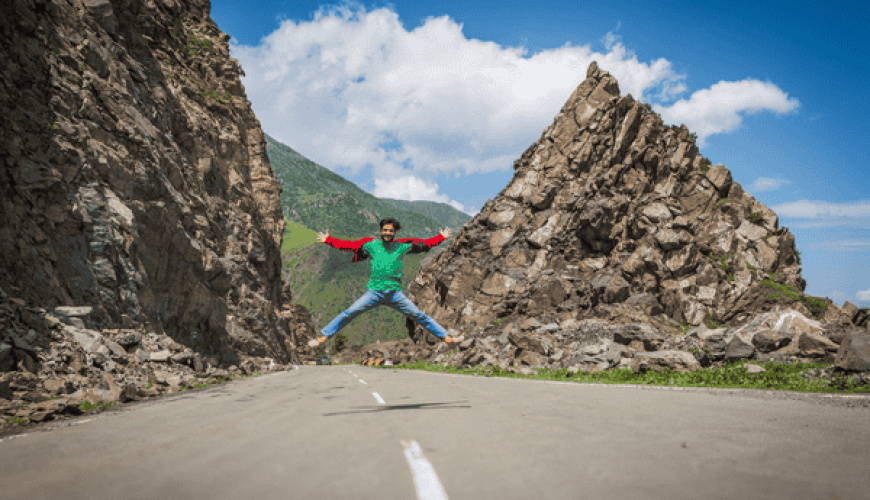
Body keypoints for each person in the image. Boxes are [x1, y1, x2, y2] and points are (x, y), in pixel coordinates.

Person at [308, 218, 460, 349]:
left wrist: (441, 237)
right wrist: (329, 240)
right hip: (374, 293)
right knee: (349, 313)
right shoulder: (371, 245)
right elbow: (350, 246)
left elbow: (424, 245)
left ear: (395, 233)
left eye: (391, 231)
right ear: (381, 231)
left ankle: (446, 338)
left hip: (395, 294)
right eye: (385, 230)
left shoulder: (401, 246)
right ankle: (323, 337)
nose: (387, 233)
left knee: (420, 316)